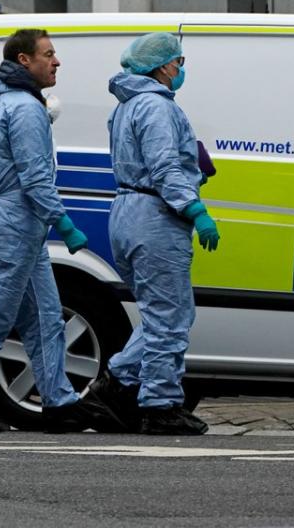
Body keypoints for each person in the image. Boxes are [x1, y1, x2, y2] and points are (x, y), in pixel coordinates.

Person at [0, 28, 112, 433]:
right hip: (15, 224)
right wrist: (64, 224)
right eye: (48, 54)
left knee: (46, 317)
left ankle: (58, 400)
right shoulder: (25, 109)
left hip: (13, 224)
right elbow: (35, 178)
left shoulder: (2, 101)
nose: (57, 61)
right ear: (23, 61)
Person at [88, 32, 219, 436]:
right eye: (178, 62)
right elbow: (163, 168)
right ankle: (160, 405)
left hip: (127, 213)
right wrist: (195, 208)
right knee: (170, 317)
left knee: (160, 313)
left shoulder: (125, 107)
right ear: (162, 66)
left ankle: (115, 384)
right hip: (155, 216)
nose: (181, 70)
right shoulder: (157, 107)